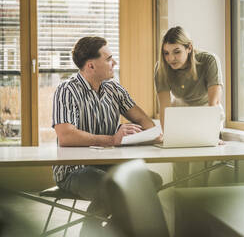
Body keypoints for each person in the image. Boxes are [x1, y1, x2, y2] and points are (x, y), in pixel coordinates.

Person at [52, 36, 162, 237]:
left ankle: (109, 232)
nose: (115, 63)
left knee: (152, 180)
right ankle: (89, 233)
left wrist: (142, 134)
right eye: (109, 59)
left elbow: (146, 123)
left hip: (109, 165)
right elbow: (66, 136)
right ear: (91, 66)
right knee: (115, 189)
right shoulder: (66, 90)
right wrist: (112, 139)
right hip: (74, 170)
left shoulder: (114, 88)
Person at [154, 26, 225, 187]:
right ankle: (180, 206)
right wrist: (168, 136)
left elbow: (213, 103)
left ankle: (195, 205)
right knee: (179, 164)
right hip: (180, 111)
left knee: (198, 166)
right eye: (166, 53)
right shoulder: (161, 68)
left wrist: (212, 134)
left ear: (189, 48)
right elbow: (164, 106)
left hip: (207, 111)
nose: (171, 58)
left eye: (177, 51)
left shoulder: (209, 60)